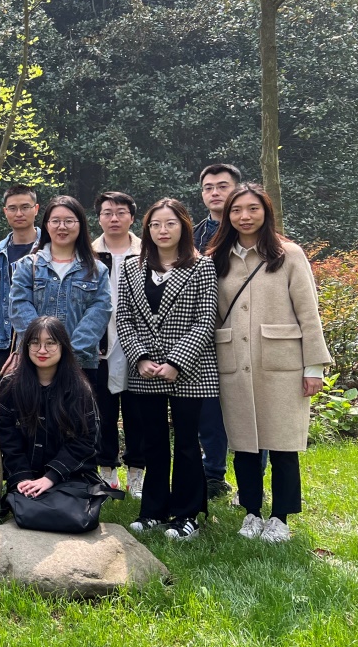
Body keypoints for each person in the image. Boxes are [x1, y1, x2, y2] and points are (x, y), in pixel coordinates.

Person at [209, 184, 331, 543]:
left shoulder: (288, 254)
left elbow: (308, 312)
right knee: (244, 444)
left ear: (266, 212)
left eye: (253, 209)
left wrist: (314, 367)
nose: (244, 216)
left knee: (283, 444)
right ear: (228, 216)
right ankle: (251, 512)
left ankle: (280, 518)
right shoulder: (217, 257)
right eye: (236, 210)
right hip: (234, 362)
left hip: (282, 364)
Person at [117, 198, 219, 541]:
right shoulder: (132, 268)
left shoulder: (202, 267)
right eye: (156, 224)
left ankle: (187, 514)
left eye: (170, 223)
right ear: (147, 229)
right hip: (145, 370)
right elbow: (124, 319)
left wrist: (176, 362)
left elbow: (206, 320)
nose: (163, 230)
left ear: (183, 227)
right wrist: (140, 357)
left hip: (189, 370)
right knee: (154, 442)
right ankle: (153, 511)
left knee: (188, 443)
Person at [0, 316, 100, 501]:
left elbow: (86, 440)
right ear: (26, 346)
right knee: (27, 508)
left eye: (50, 343)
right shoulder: (10, 386)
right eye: (35, 343)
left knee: (62, 509)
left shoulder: (78, 388)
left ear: (63, 346)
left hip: (68, 477)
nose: (42, 350)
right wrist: (22, 477)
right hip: (24, 477)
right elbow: (7, 439)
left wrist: (50, 477)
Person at [8, 196, 111, 375]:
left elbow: (99, 314)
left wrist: (68, 353)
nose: (62, 227)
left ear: (80, 225)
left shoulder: (97, 270)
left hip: (80, 364)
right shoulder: (27, 266)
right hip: (34, 362)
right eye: (55, 221)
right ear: (47, 225)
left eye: (69, 221)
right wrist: (43, 347)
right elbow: (19, 307)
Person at [91, 191, 144, 496]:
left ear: (132, 218)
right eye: (107, 213)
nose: (114, 218)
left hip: (138, 344)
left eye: (121, 212)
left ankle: (137, 472)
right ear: (98, 218)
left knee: (138, 412)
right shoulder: (89, 252)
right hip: (101, 343)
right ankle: (106, 470)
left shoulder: (147, 251)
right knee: (103, 411)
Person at [195, 163, 242, 499]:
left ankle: (252, 478)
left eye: (222, 186)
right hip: (202, 334)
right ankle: (213, 474)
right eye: (208, 187)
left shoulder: (250, 232)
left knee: (247, 410)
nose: (215, 193)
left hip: (241, 332)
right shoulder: (193, 234)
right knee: (209, 412)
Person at [0, 184, 40, 388]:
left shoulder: (49, 250)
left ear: (36, 209)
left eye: (25, 207)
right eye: (12, 208)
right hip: (3, 343)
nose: (19, 213)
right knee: (5, 401)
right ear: (5, 211)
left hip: (41, 342)